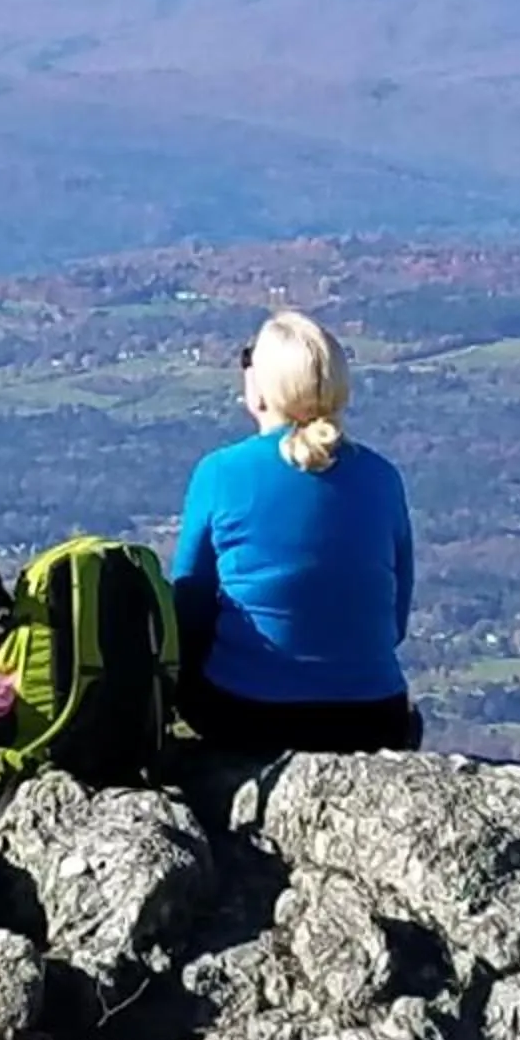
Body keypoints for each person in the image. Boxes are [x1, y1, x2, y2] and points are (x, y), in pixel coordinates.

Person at [170, 310, 420, 756]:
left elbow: (187, 611)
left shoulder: (221, 473)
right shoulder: (383, 477)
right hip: (375, 717)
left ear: (262, 390)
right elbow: (394, 622)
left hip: (248, 714)